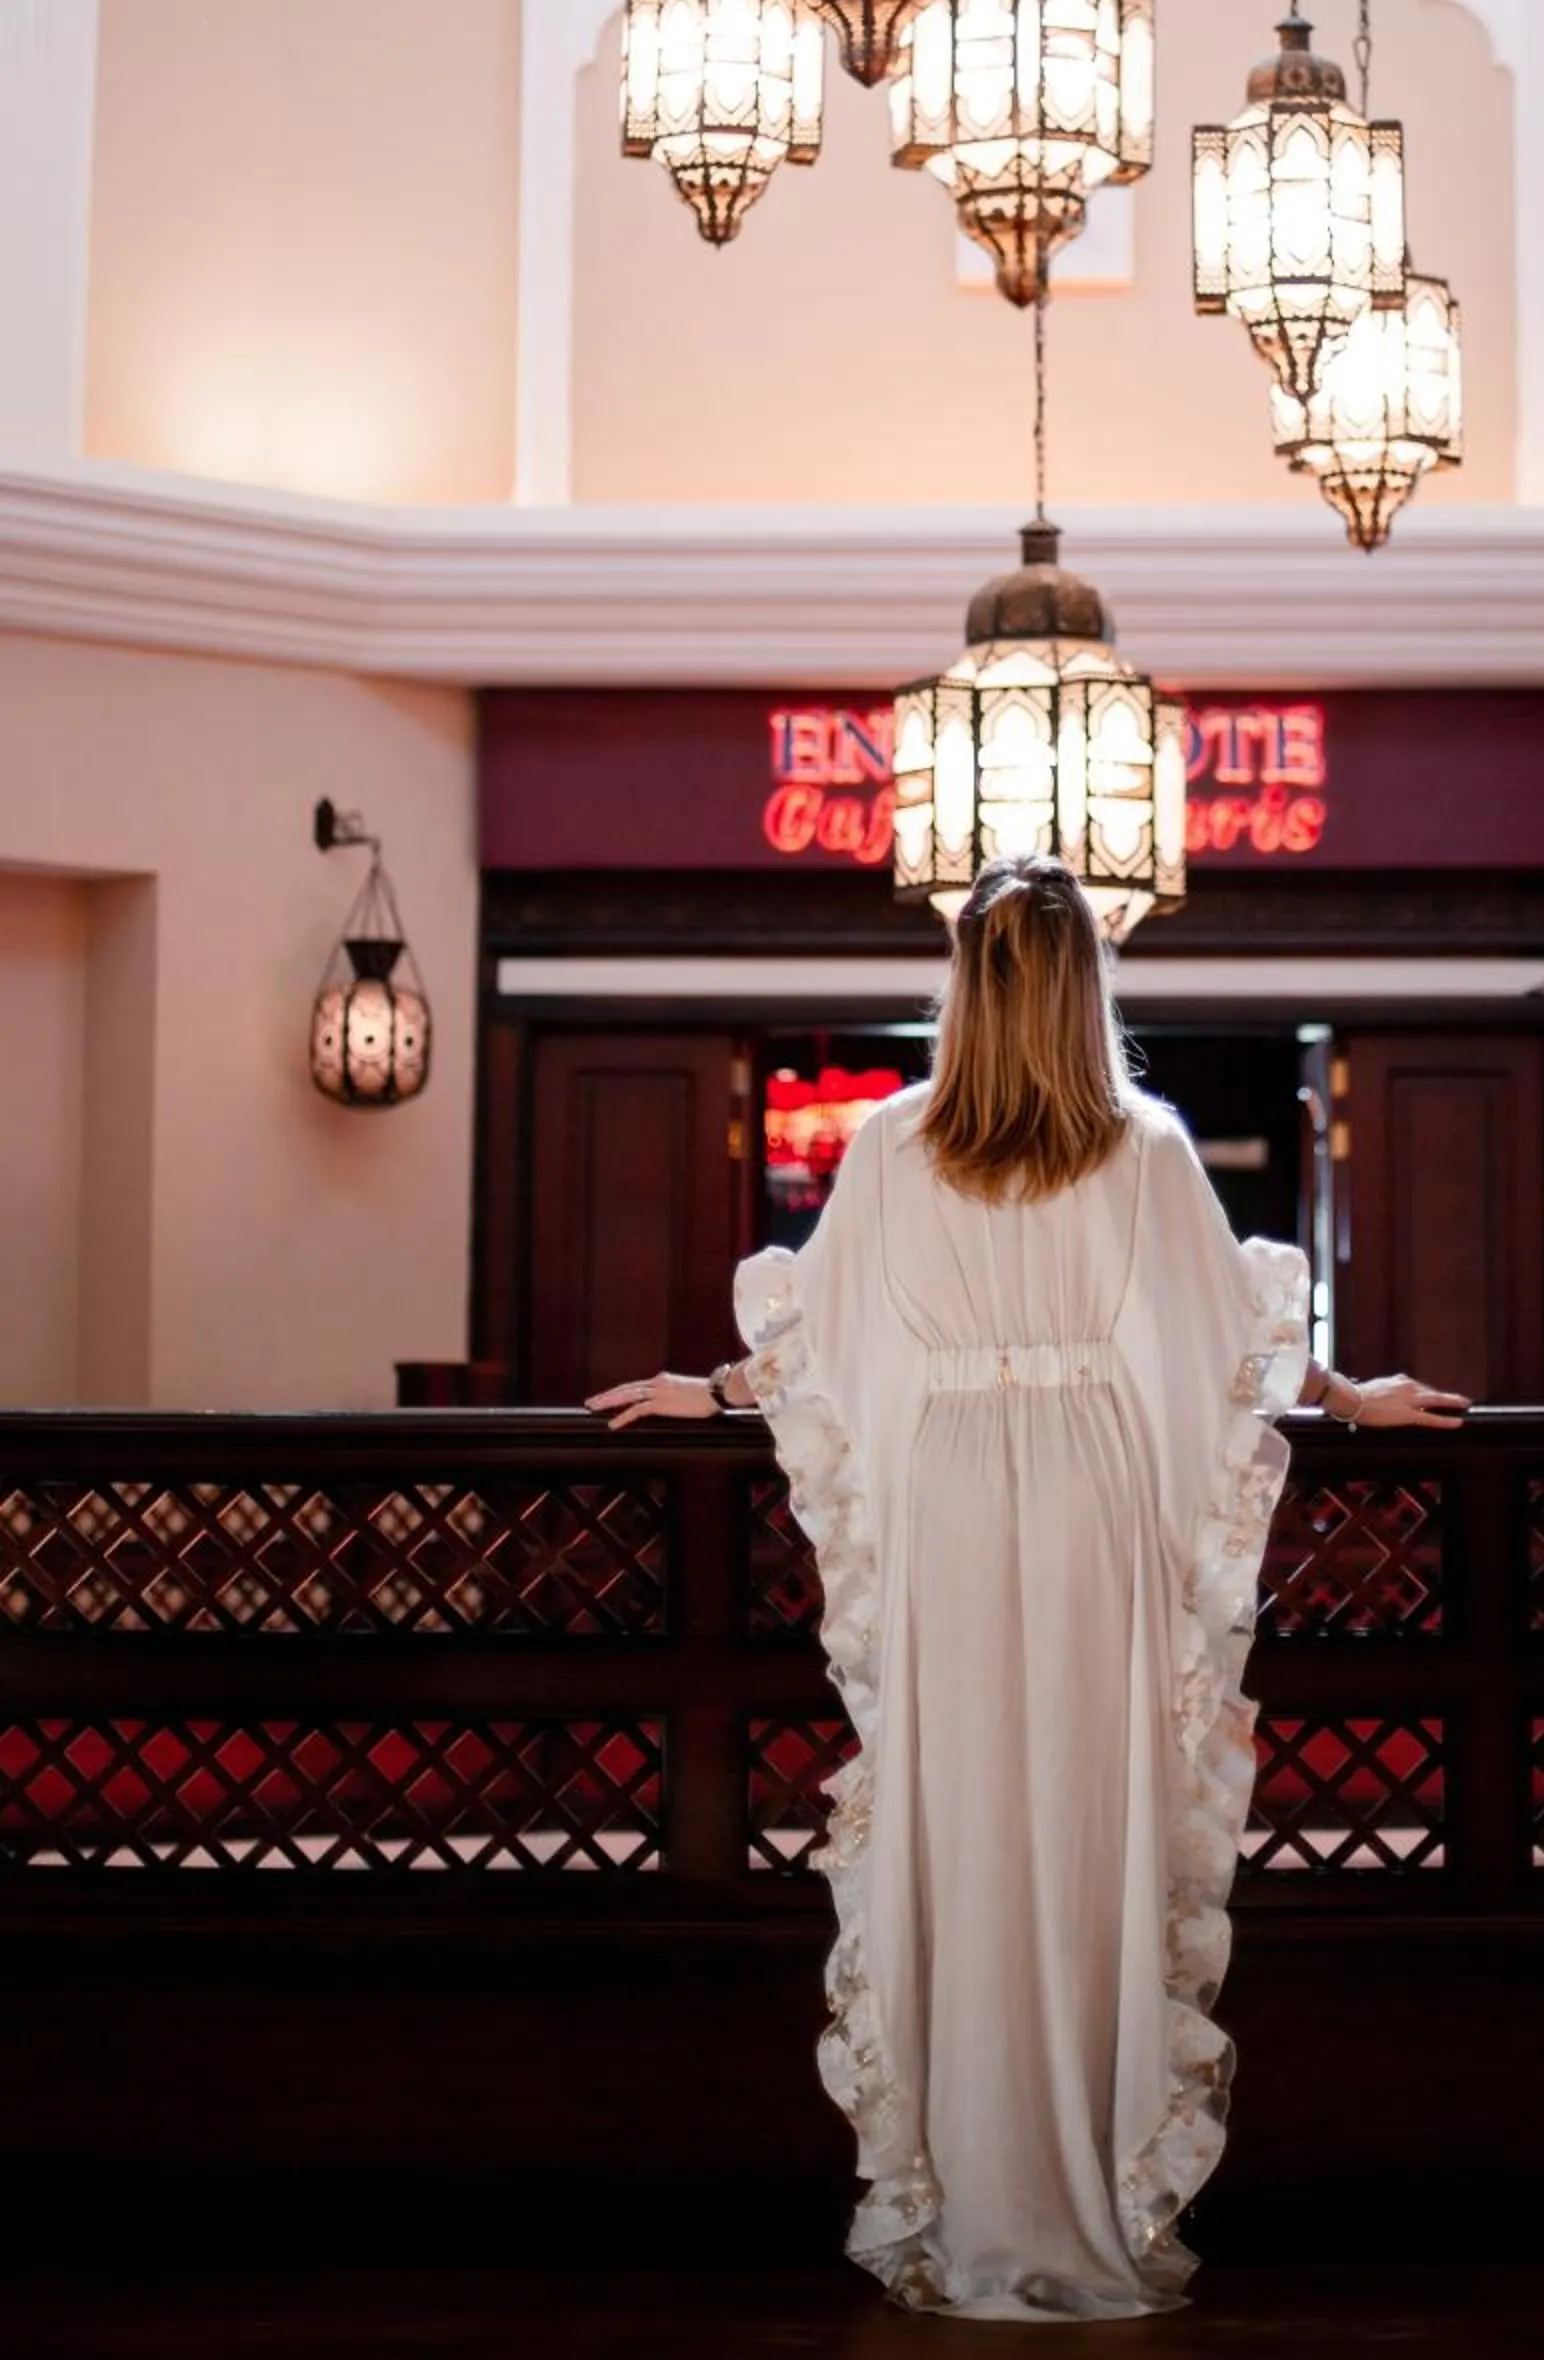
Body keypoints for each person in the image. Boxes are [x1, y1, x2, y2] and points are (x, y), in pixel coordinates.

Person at [589, 855, 1470, 2320]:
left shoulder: (888, 1146)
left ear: (966, 989)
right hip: (1092, 1499)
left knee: (963, 1827)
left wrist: (716, 1387)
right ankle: (1086, 2182)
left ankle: (964, 2188)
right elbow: (1222, 1352)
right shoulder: (1147, 1147)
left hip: (943, 1491)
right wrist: (1347, 1390)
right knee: (1090, 1829)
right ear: (1084, 992)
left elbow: (829, 1344)